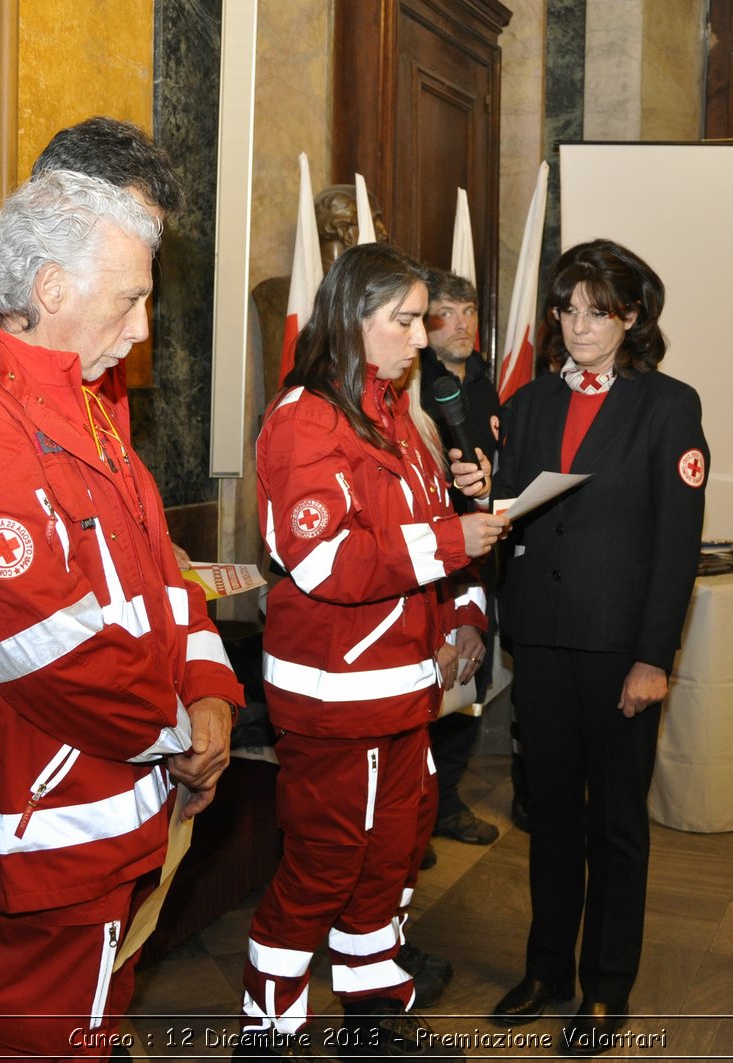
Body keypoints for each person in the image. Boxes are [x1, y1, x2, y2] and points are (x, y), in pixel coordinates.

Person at [0, 170, 243, 1057]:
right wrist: (175, 731)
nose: (142, 329)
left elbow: (164, 575)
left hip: (110, 786)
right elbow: (47, 650)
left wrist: (207, 688)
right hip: (45, 802)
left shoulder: (84, 408)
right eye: (128, 300)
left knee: (87, 1017)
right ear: (51, 289)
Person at [236, 243, 505, 1057]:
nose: (423, 338)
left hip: (402, 686)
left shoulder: (393, 414)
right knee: (323, 866)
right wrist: (451, 541)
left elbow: (424, 531)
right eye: (406, 319)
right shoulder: (303, 420)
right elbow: (328, 563)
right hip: (336, 693)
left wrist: (463, 612)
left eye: (422, 319)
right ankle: (271, 1033)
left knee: (389, 860)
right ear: (354, 319)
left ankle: (374, 1015)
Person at [488, 239, 707, 1054]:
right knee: (549, 816)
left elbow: (677, 543)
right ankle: (546, 968)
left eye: (597, 312)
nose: (578, 326)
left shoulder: (668, 404)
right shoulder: (533, 399)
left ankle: (605, 985)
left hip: (621, 652)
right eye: (567, 309)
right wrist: (486, 490)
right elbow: (515, 509)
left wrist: (655, 657)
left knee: (615, 824)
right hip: (540, 642)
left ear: (632, 317)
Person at [0, 115, 183, 442]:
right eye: (131, 221)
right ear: (63, 202)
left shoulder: (102, 295)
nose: (144, 243)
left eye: (152, 232)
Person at [416, 269, 502, 848]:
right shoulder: (410, 389)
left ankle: (445, 804)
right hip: (424, 559)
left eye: (470, 311)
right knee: (425, 685)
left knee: (470, 679)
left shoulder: (486, 383)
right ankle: (413, 823)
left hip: (479, 556)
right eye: (448, 312)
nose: (464, 323)